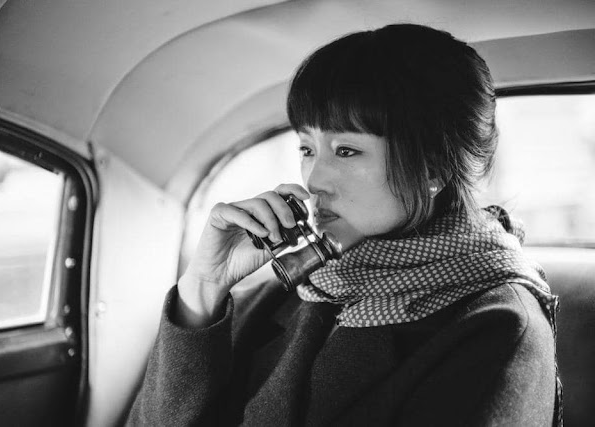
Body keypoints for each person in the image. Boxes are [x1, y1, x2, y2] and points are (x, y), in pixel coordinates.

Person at [127, 24, 561, 426]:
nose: (314, 179)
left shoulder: (499, 329)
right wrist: (203, 286)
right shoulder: (293, 287)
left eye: (347, 151)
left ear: (433, 169)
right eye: (307, 148)